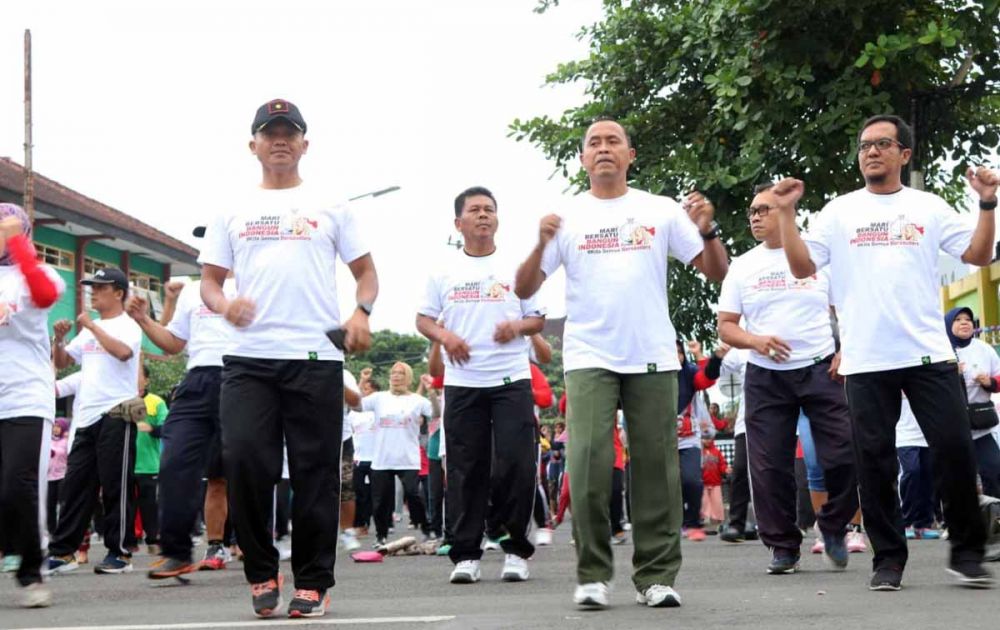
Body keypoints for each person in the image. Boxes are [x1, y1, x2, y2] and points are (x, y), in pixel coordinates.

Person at [775, 113, 997, 589]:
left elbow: (978, 255)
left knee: (955, 450)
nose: (871, 152)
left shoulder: (928, 206)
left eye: (882, 144)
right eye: (864, 146)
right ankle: (888, 560)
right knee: (874, 463)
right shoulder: (839, 211)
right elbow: (801, 267)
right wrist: (787, 216)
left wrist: (986, 203)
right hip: (866, 359)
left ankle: (967, 553)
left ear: (904, 153)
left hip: (928, 355)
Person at [515, 117, 728, 609]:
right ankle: (593, 574)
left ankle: (656, 576)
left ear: (630, 155)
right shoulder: (565, 217)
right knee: (589, 461)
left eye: (614, 141)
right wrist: (540, 243)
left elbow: (716, 271)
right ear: (583, 159)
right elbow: (524, 288)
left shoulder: (659, 210)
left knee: (656, 469)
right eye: (594, 142)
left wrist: (707, 230)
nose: (604, 148)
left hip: (651, 353)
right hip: (589, 355)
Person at [198, 99, 377, 618]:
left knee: (314, 473)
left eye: (289, 132)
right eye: (269, 132)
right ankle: (261, 571)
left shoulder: (332, 205)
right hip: (249, 359)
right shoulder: (231, 208)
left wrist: (361, 312)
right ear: (252, 144)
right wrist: (225, 306)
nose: (280, 139)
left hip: (315, 357)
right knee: (245, 462)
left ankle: (313, 582)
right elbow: (210, 283)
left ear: (304, 143)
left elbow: (367, 274)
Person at [717, 181, 859, 575]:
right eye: (752, 211)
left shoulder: (818, 258)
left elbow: (849, 309)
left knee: (848, 452)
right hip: (766, 377)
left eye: (764, 209)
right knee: (768, 468)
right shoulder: (743, 266)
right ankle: (783, 546)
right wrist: (755, 341)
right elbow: (726, 326)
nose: (755, 217)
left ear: (786, 210)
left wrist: (845, 350)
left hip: (821, 369)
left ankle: (833, 525)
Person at [417, 185, 545, 584]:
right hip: (463, 382)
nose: (483, 215)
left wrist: (517, 327)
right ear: (459, 223)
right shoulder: (442, 270)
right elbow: (423, 319)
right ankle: (466, 554)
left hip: (511, 381)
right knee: (465, 468)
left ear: (497, 219)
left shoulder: (517, 268)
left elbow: (537, 318)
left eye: (489, 209)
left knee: (516, 464)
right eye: (474, 210)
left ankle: (515, 551)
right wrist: (445, 337)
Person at [48, 266, 143, 576]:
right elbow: (64, 362)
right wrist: (59, 340)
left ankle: (121, 553)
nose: (94, 292)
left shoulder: (128, 325)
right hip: (86, 418)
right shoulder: (91, 328)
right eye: (92, 287)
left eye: (101, 287)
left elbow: (123, 353)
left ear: (118, 293)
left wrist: (91, 326)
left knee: (116, 486)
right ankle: (63, 552)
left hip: (116, 412)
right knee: (75, 486)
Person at [0, 205, 64, 607]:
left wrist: (18, 246)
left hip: (25, 396)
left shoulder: (37, 273)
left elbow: (44, 294)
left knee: (18, 485)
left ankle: (31, 572)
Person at [359, 363, 434, 547]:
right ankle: (381, 535)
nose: (396, 376)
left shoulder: (417, 400)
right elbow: (357, 405)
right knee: (380, 501)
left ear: (408, 378)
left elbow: (436, 413)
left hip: (407, 458)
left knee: (413, 494)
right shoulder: (379, 398)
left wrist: (431, 391)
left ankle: (426, 527)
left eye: (400, 373)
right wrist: (362, 381)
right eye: (393, 373)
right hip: (382, 459)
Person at [946, 307, 1000, 498]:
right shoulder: (942, 351)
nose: (964, 322)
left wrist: (990, 382)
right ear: (948, 324)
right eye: (958, 319)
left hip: (980, 426)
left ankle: (994, 511)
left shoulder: (984, 349)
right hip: (952, 429)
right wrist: (951, 374)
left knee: (993, 469)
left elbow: (999, 378)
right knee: (958, 479)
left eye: (968, 319)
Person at [133, 365, 168, 556]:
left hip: (148, 465)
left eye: (140, 376)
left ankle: (153, 540)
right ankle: (127, 542)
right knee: (125, 505)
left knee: (149, 506)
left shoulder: (156, 402)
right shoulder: (121, 400)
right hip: (125, 464)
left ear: (146, 380)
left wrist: (152, 429)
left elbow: (168, 428)